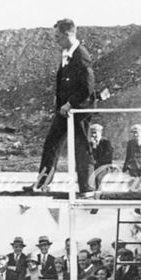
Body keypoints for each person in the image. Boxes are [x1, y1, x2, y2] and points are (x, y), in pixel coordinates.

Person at [29, 18, 95, 195]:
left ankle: (87, 187)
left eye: (58, 37)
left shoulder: (81, 55)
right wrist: (59, 102)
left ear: (68, 34)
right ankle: (43, 183)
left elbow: (88, 87)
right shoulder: (67, 54)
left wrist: (70, 103)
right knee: (51, 143)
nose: (55, 40)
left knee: (81, 147)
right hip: (64, 111)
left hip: (78, 111)